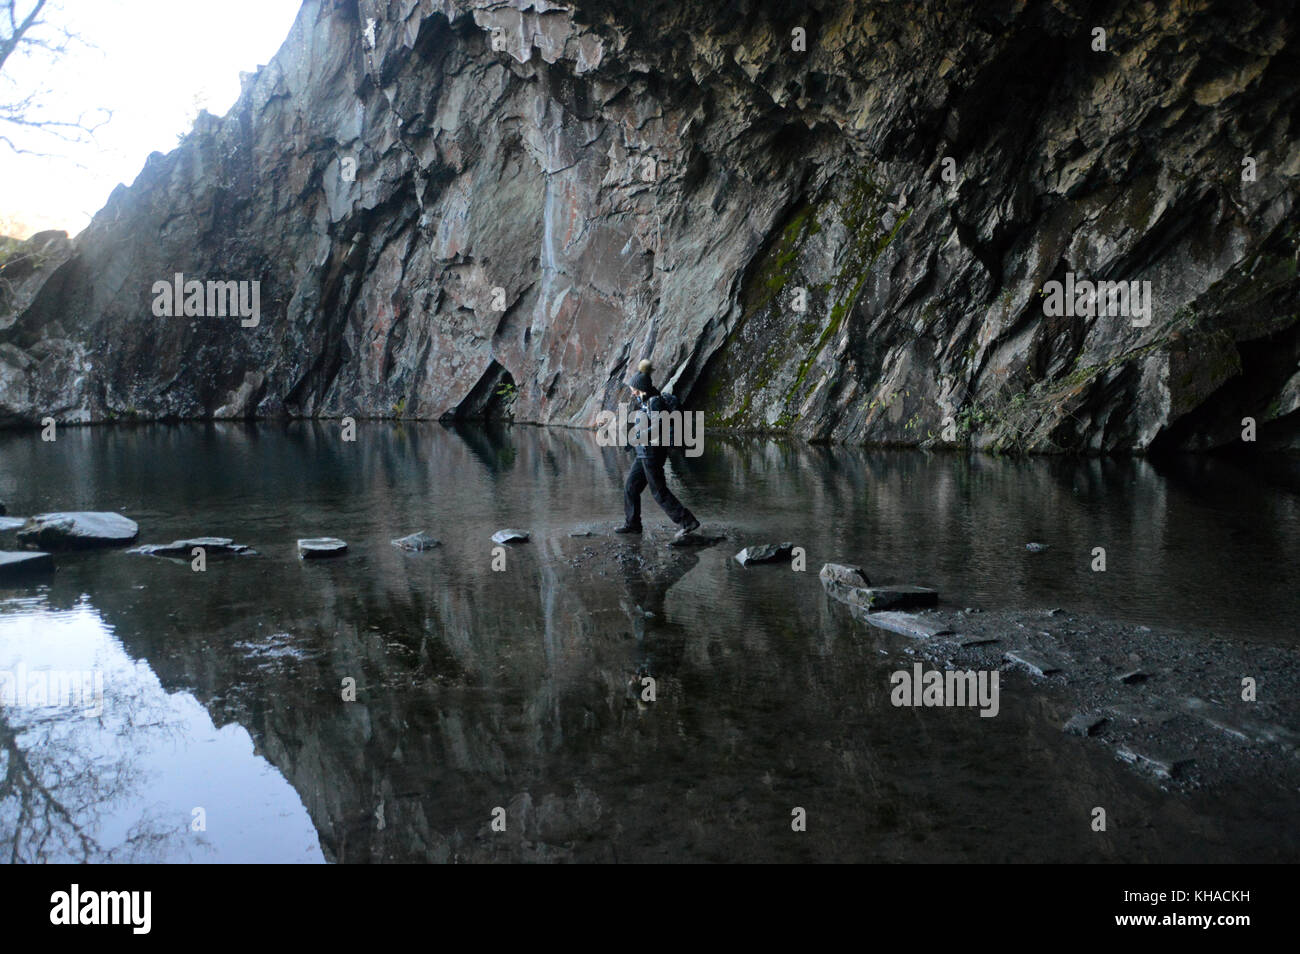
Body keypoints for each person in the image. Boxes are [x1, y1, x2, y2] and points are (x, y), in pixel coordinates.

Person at [615, 360, 701, 538]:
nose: (631, 392)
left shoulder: (655, 402)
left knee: (658, 491)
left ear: (640, 388)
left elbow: (657, 426)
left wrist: (635, 438)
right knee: (631, 487)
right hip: (644, 452)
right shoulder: (645, 400)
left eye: (633, 388)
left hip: (653, 453)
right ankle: (632, 524)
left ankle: (688, 521)